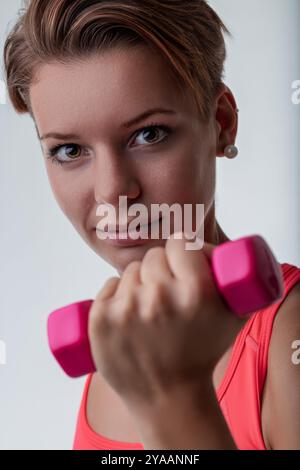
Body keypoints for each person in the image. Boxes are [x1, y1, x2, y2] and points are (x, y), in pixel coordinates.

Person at [3, 0, 300, 450]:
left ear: (221, 123)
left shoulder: (288, 338)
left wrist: (174, 396)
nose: (111, 191)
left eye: (149, 135)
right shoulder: (113, 352)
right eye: (69, 151)